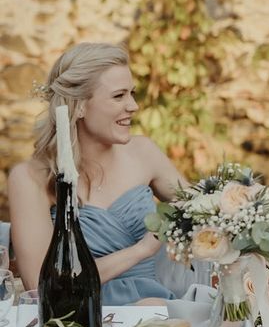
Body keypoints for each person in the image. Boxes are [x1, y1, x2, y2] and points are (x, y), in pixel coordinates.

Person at [8, 42, 187, 305]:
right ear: (78, 106)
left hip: (156, 310)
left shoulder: (144, 152)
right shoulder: (30, 178)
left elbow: (200, 209)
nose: (134, 106)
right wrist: (141, 251)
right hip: (78, 319)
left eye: (132, 93)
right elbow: (39, 282)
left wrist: (239, 205)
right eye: (119, 96)